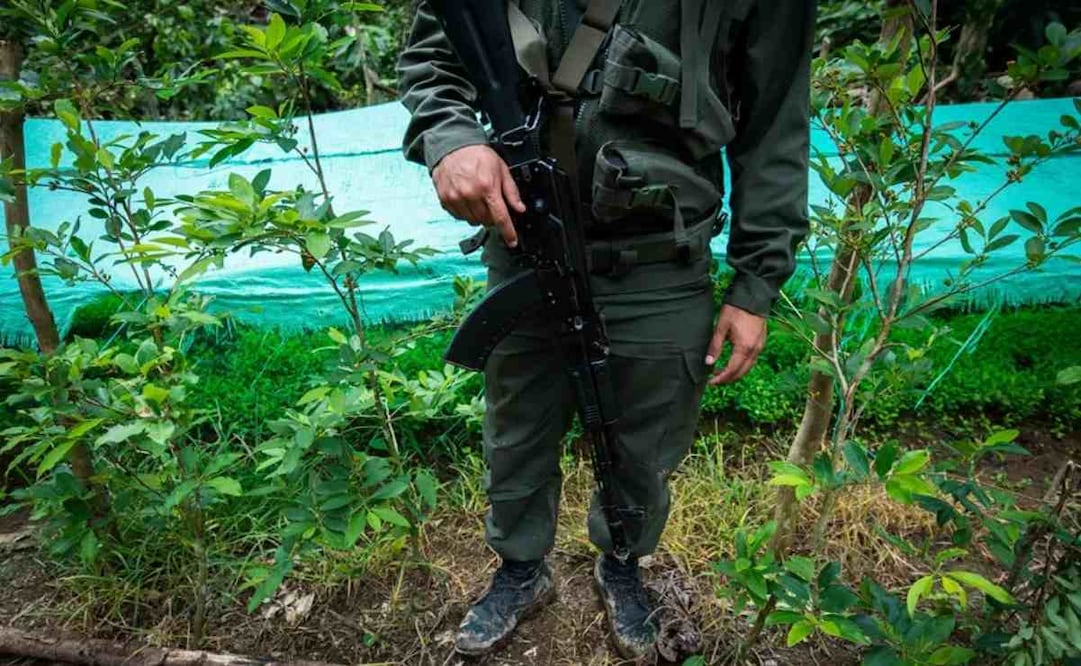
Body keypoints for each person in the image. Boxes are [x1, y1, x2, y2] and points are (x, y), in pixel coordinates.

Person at [398, 0, 814, 659]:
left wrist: (756, 282)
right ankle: (520, 570)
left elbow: (774, 127)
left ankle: (621, 565)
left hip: (659, 256)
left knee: (646, 444)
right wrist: (453, 140)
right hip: (525, 237)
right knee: (517, 432)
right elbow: (431, 57)